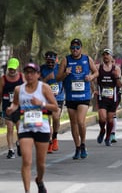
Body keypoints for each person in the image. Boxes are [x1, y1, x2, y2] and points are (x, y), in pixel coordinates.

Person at [6, 62, 58, 193]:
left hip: (42, 127)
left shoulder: (44, 88)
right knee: (26, 161)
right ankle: (27, 191)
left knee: (41, 164)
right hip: (25, 127)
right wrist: (11, 109)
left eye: (32, 72)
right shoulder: (19, 89)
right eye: (27, 72)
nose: (29, 75)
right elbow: (16, 104)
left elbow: (55, 107)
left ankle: (39, 180)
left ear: (38, 74)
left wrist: (41, 103)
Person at [57, 38, 98, 159]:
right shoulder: (66, 60)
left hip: (83, 95)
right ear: (70, 49)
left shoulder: (87, 59)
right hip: (71, 96)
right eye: (73, 48)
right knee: (73, 123)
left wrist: (91, 77)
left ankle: (84, 143)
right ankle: (77, 147)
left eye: (77, 48)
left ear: (81, 48)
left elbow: (96, 72)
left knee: (80, 121)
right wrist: (65, 73)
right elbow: (58, 77)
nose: (75, 50)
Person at [96, 48, 122, 146]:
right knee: (102, 118)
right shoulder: (98, 67)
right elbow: (91, 77)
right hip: (102, 97)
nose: (106, 56)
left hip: (113, 97)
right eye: (104, 55)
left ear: (111, 57)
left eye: (107, 54)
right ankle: (102, 130)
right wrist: (93, 89)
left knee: (110, 119)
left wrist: (117, 77)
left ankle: (107, 138)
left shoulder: (116, 68)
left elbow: (120, 85)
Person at [40, 51, 65, 154]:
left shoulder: (60, 68)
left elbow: (66, 79)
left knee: (55, 117)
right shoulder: (41, 69)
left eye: (52, 62)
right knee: (46, 121)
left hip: (58, 97)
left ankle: (54, 137)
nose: (50, 64)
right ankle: (49, 141)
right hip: (45, 98)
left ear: (56, 60)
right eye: (48, 62)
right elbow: (38, 84)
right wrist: (47, 78)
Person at [0, 57, 24, 159]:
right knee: (9, 128)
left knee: (19, 129)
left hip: (19, 107)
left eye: (13, 69)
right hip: (7, 107)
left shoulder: (22, 78)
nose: (11, 71)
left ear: (17, 68)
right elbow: (0, 94)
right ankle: (10, 150)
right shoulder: (3, 79)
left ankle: (19, 143)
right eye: (10, 69)